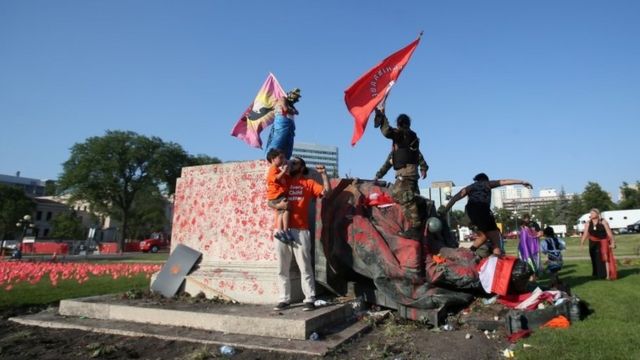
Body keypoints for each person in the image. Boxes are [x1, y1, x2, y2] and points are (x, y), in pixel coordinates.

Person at [274, 156, 331, 311]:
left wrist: (324, 175)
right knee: (282, 267)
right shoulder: (283, 181)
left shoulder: (309, 183)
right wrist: (277, 204)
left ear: (301, 167)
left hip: (300, 230)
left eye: (294, 163)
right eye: (289, 162)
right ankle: (284, 299)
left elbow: (326, 193)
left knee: (305, 266)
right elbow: (269, 198)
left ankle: (309, 298)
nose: (290, 164)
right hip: (280, 230)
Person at [442, 173, 533, 258]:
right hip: (483, 213)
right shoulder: (487, 184)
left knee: (483, 236)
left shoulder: (470, 187)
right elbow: (504, 181)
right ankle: (497, 262)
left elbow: (455, 198)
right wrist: (521, 182)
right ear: (486, 179)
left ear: (477, 180)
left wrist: (445, 211)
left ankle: (469, 253)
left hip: (470, 215)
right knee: (495, 239)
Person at [373, 107, 429, 240]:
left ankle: (416, 227)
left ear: (399, 124)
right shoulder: (405, 144)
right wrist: (378, 175)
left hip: (405, 173)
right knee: (413, 197)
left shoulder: (404, 134)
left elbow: (387, 131)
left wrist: (382, 116)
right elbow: (390, 161)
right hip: (410, 173)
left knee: (398, 194)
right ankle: (420, 215)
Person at [580, 208, 617, 280]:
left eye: (593, 213)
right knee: (594, 258)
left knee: (604, 258)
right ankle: (596, 273)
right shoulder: (588, 223)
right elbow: (585, 234)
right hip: (592, 242)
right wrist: (582, 243)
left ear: (597, 214)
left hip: (603, 241)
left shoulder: (603, 222)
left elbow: (609, 233)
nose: (591, 215)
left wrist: (613, 242)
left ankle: (606, 275)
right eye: (590, 213)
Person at [264, 88, 301, 160]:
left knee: (288, 143)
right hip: (282, 121)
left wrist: (291, 110)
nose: (296, 99)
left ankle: (285, 159)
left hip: (290, 123)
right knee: (279, 139)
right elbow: (285, 109)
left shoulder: (290, 104)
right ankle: (270, 158)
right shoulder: (283, 99)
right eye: (295, 96)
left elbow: (297, 112)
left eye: (297, 98)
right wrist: (291, 110)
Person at [265, 148, 292, 243]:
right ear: (273, 159)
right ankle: (285, 229)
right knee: (287, 209)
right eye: (280, 158)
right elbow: (276, 179)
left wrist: (285, 170)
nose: (283, 160)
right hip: (277, 195)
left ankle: (280, 231)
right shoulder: (273, 169)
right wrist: (283, 171)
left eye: (283, 158)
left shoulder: (276, 169)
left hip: (277, 195)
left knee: (281, 212)